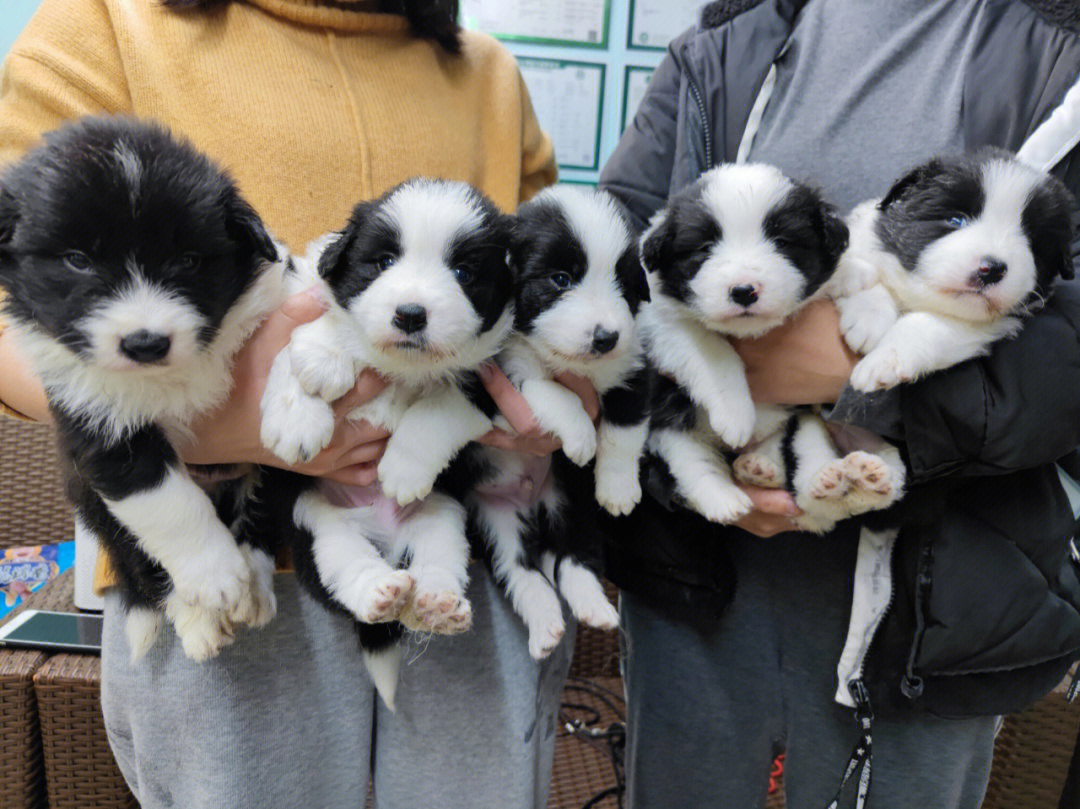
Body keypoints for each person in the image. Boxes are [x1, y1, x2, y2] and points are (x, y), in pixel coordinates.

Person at [0, 1, 599, 806]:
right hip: (225, 558)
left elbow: (548, 287)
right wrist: (233, 428)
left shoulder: (485, 71)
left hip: (456, 555)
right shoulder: (105, 25)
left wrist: (562, 388)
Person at [599, 1, 1080, 807]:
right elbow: (605, 280)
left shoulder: (1060, 53)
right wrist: (687, 445)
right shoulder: (724, 44)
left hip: (937, 615)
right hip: (695, 580)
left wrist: (854, 375)